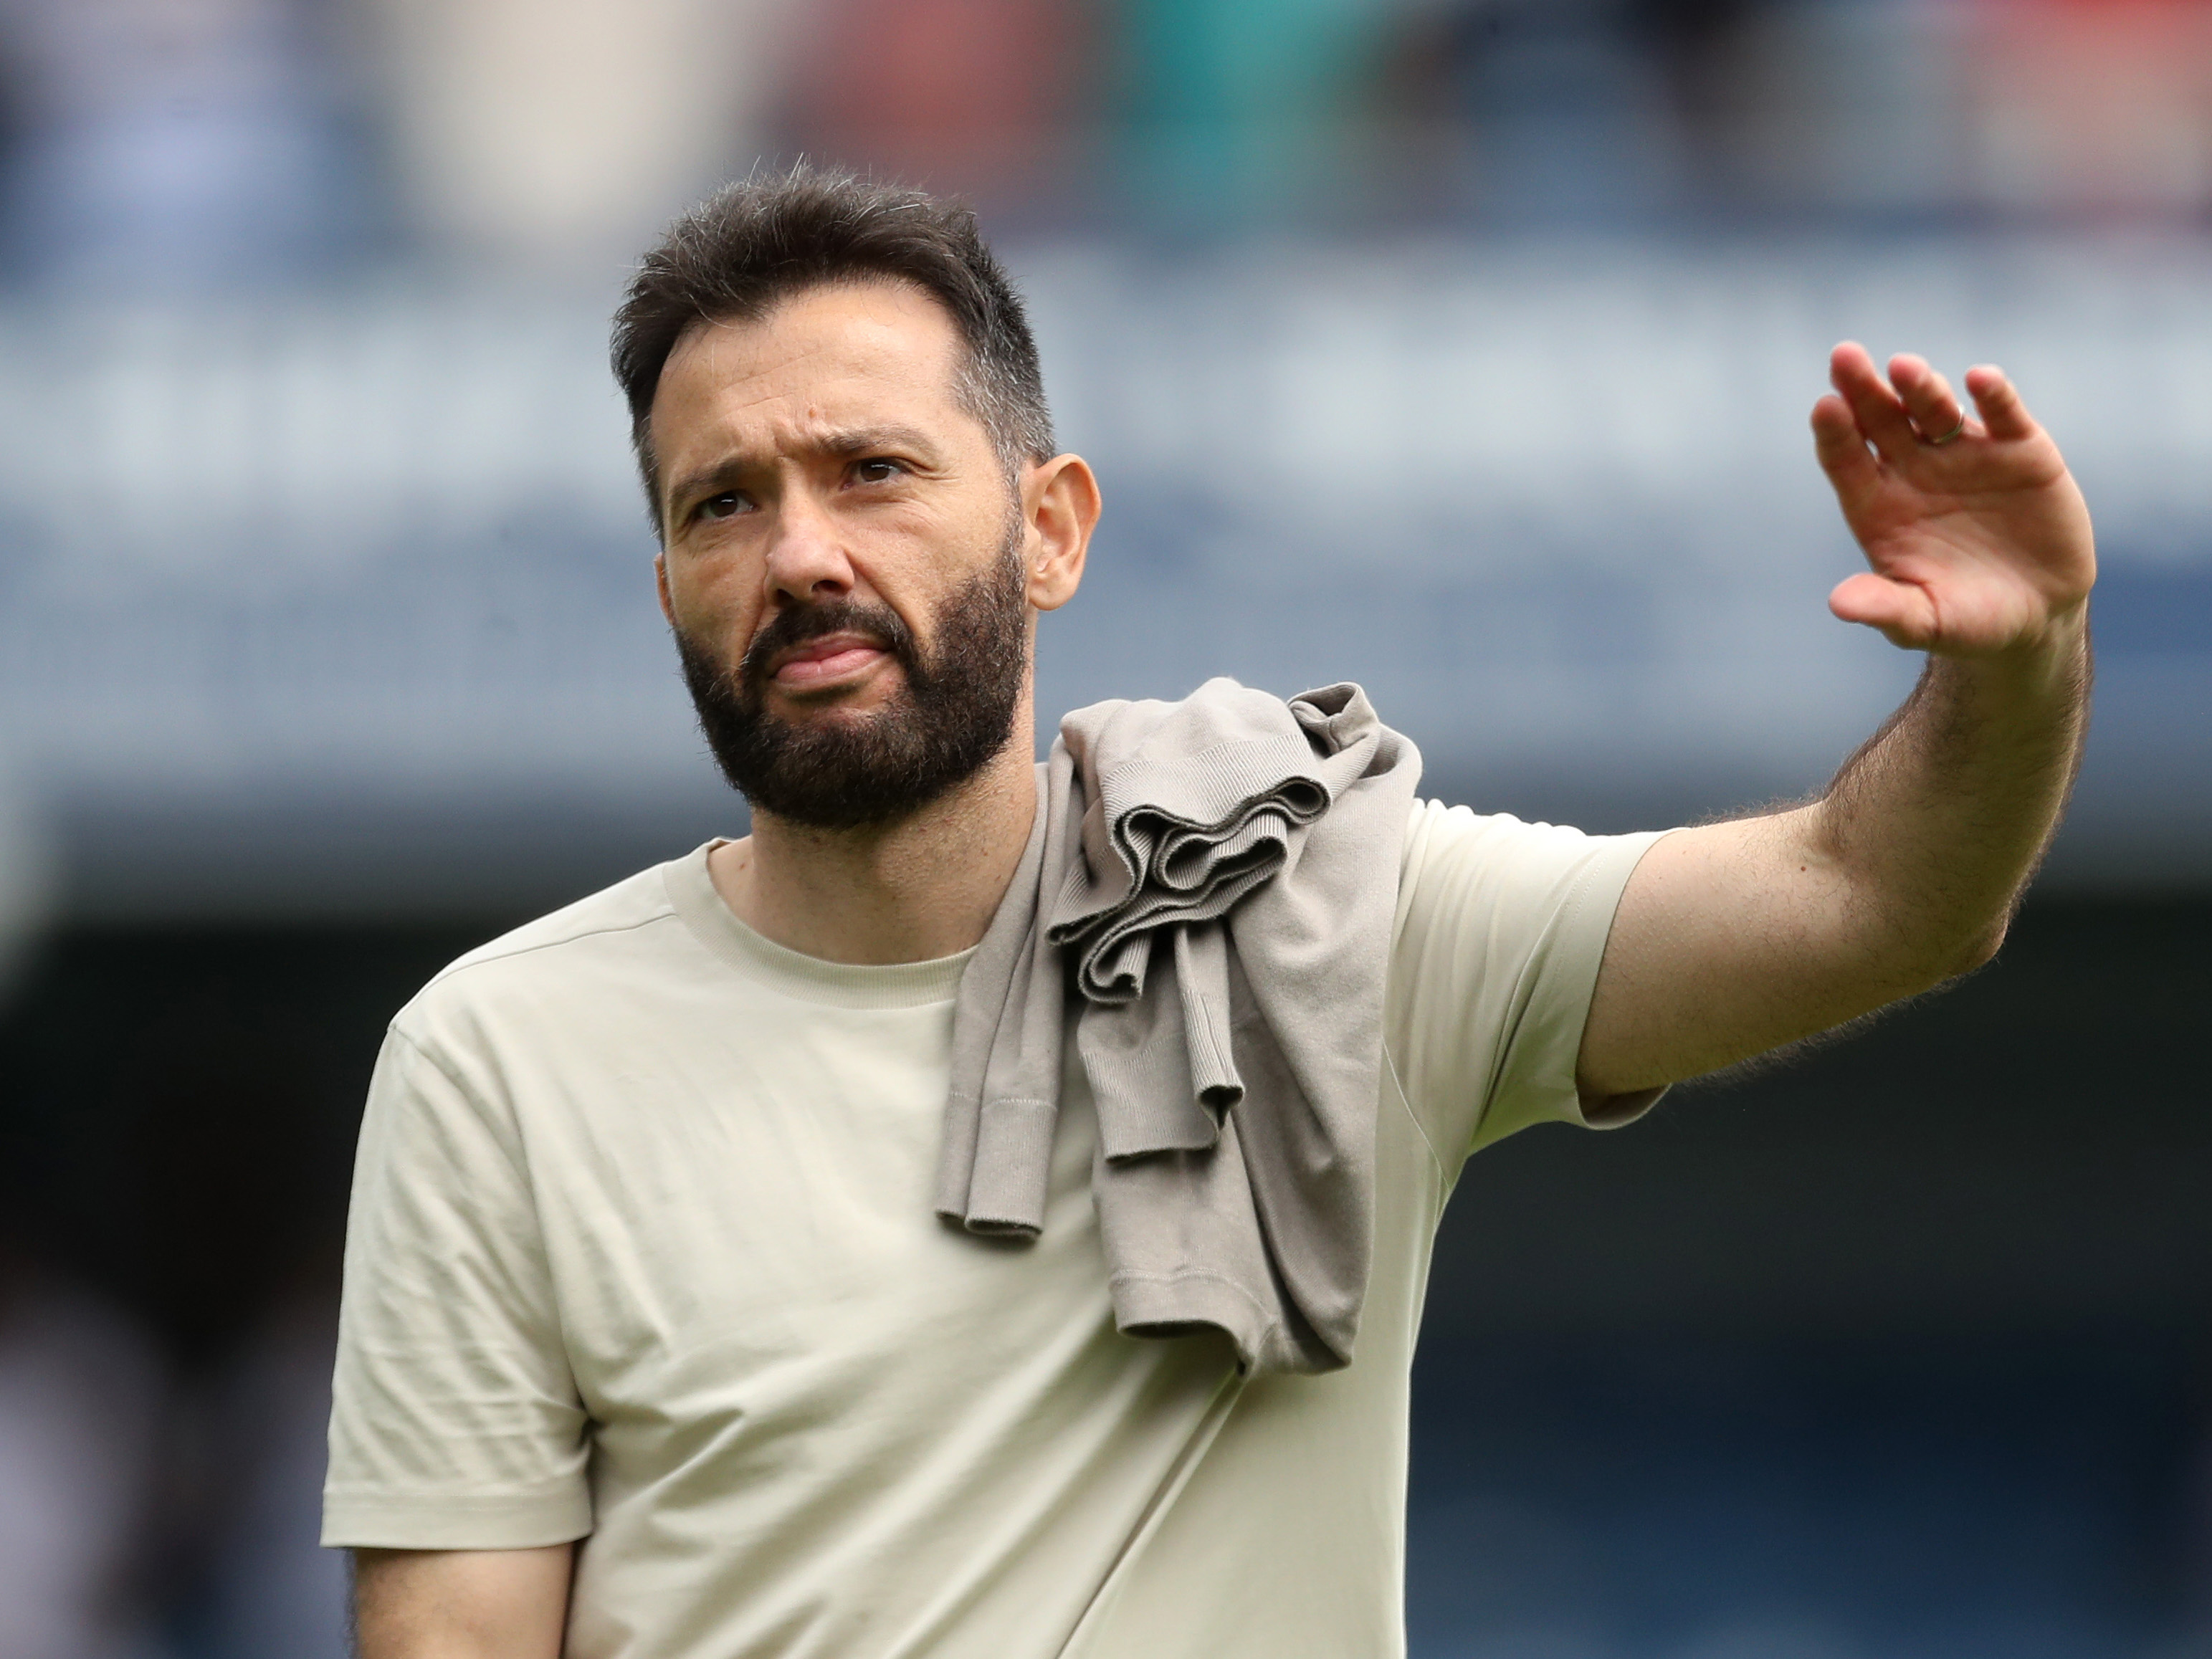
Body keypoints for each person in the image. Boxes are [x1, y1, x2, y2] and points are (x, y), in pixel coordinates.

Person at [324, 168, 2094, 1658]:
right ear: (667, 588)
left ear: (1050, 530)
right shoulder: (498, 1057)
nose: (801, 554)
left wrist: (2015, 669)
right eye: (726, 503)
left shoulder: (1313, 910)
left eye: (870, 471)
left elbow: (1870, 898)